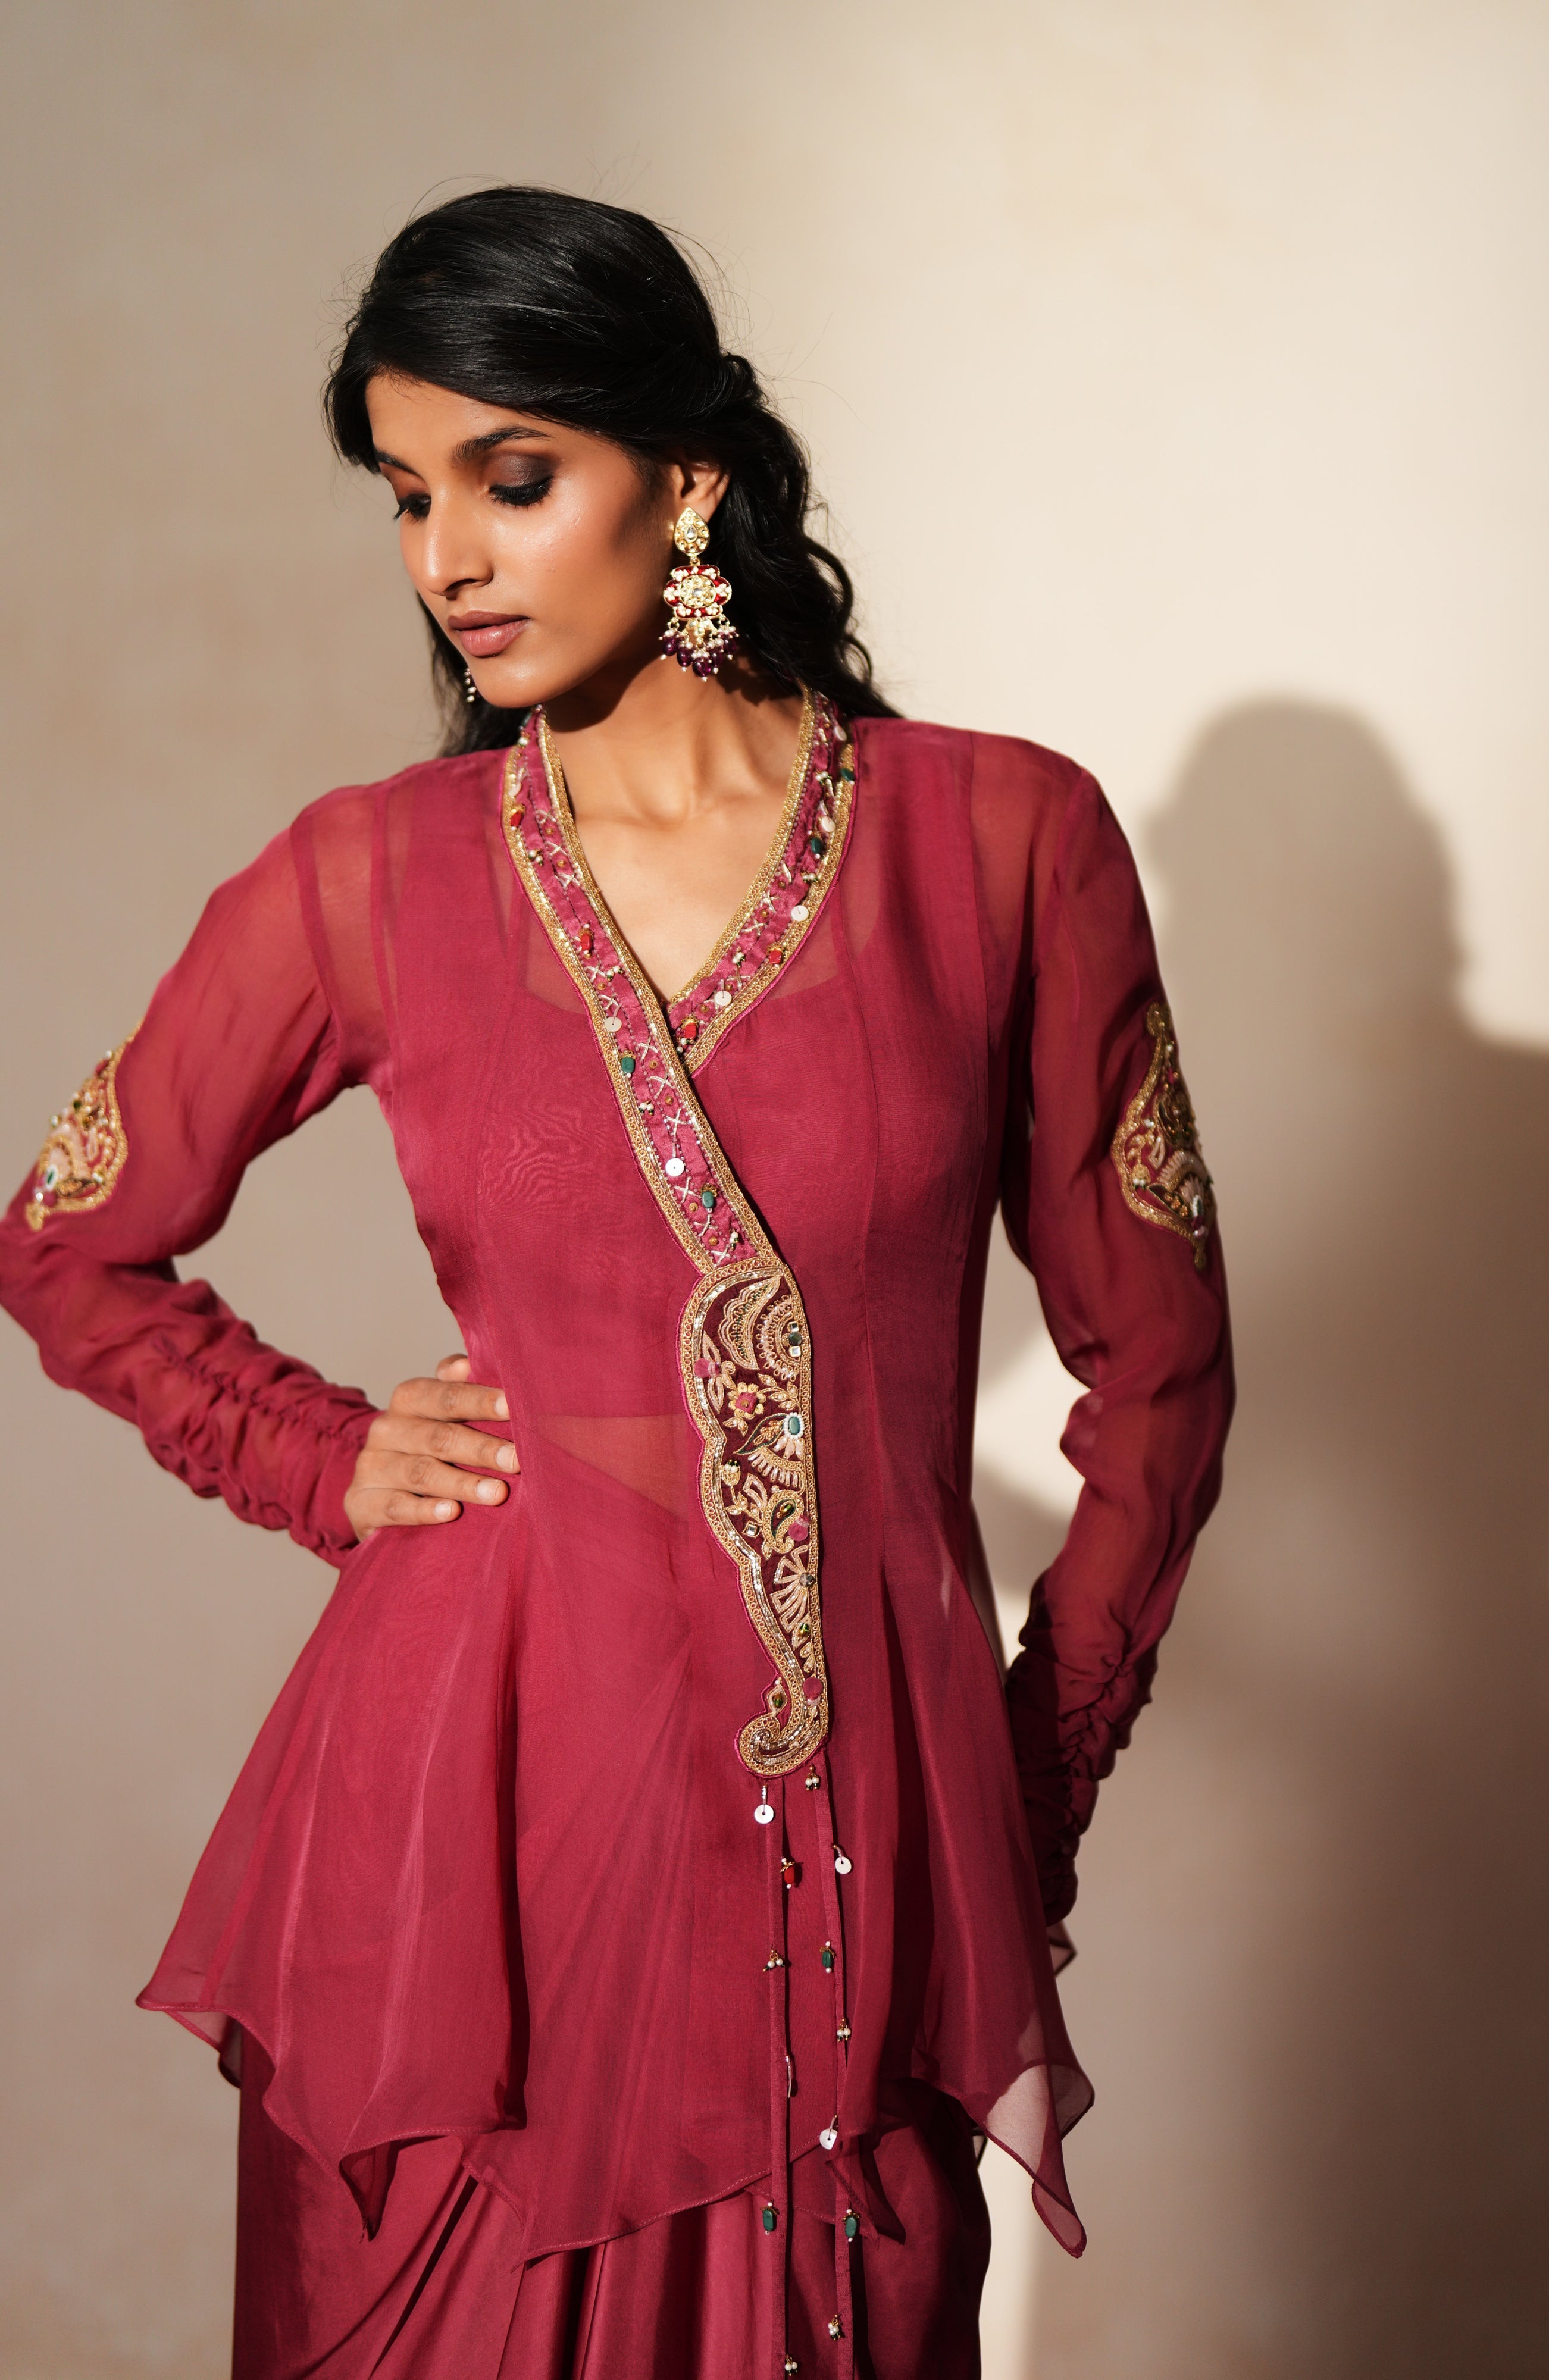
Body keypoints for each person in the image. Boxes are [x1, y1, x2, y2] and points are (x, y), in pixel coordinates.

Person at [0, 187, 1233, 2379]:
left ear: (688, 475)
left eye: (511, 476)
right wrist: (312, 1453)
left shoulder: (1003, 848)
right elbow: (68, 1238)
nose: (445, 559)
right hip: (469, 1858)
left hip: (851, 1861)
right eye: (404, 497)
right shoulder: (371, 878)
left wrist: (1027, 1770)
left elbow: (1162, 1378)